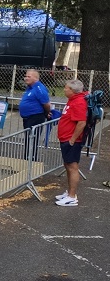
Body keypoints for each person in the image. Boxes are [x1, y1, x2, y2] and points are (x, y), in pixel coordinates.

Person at [55, 79, 88, 207]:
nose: (64, 89)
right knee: (68, 165)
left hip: (71, 140)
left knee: (72, 167)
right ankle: (69, 192)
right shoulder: (73, 100)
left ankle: (72, 197)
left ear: (73, 91)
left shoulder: (78, 102)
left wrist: (73, 139)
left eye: (66, 88)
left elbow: (81, 122)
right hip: (66, 138)